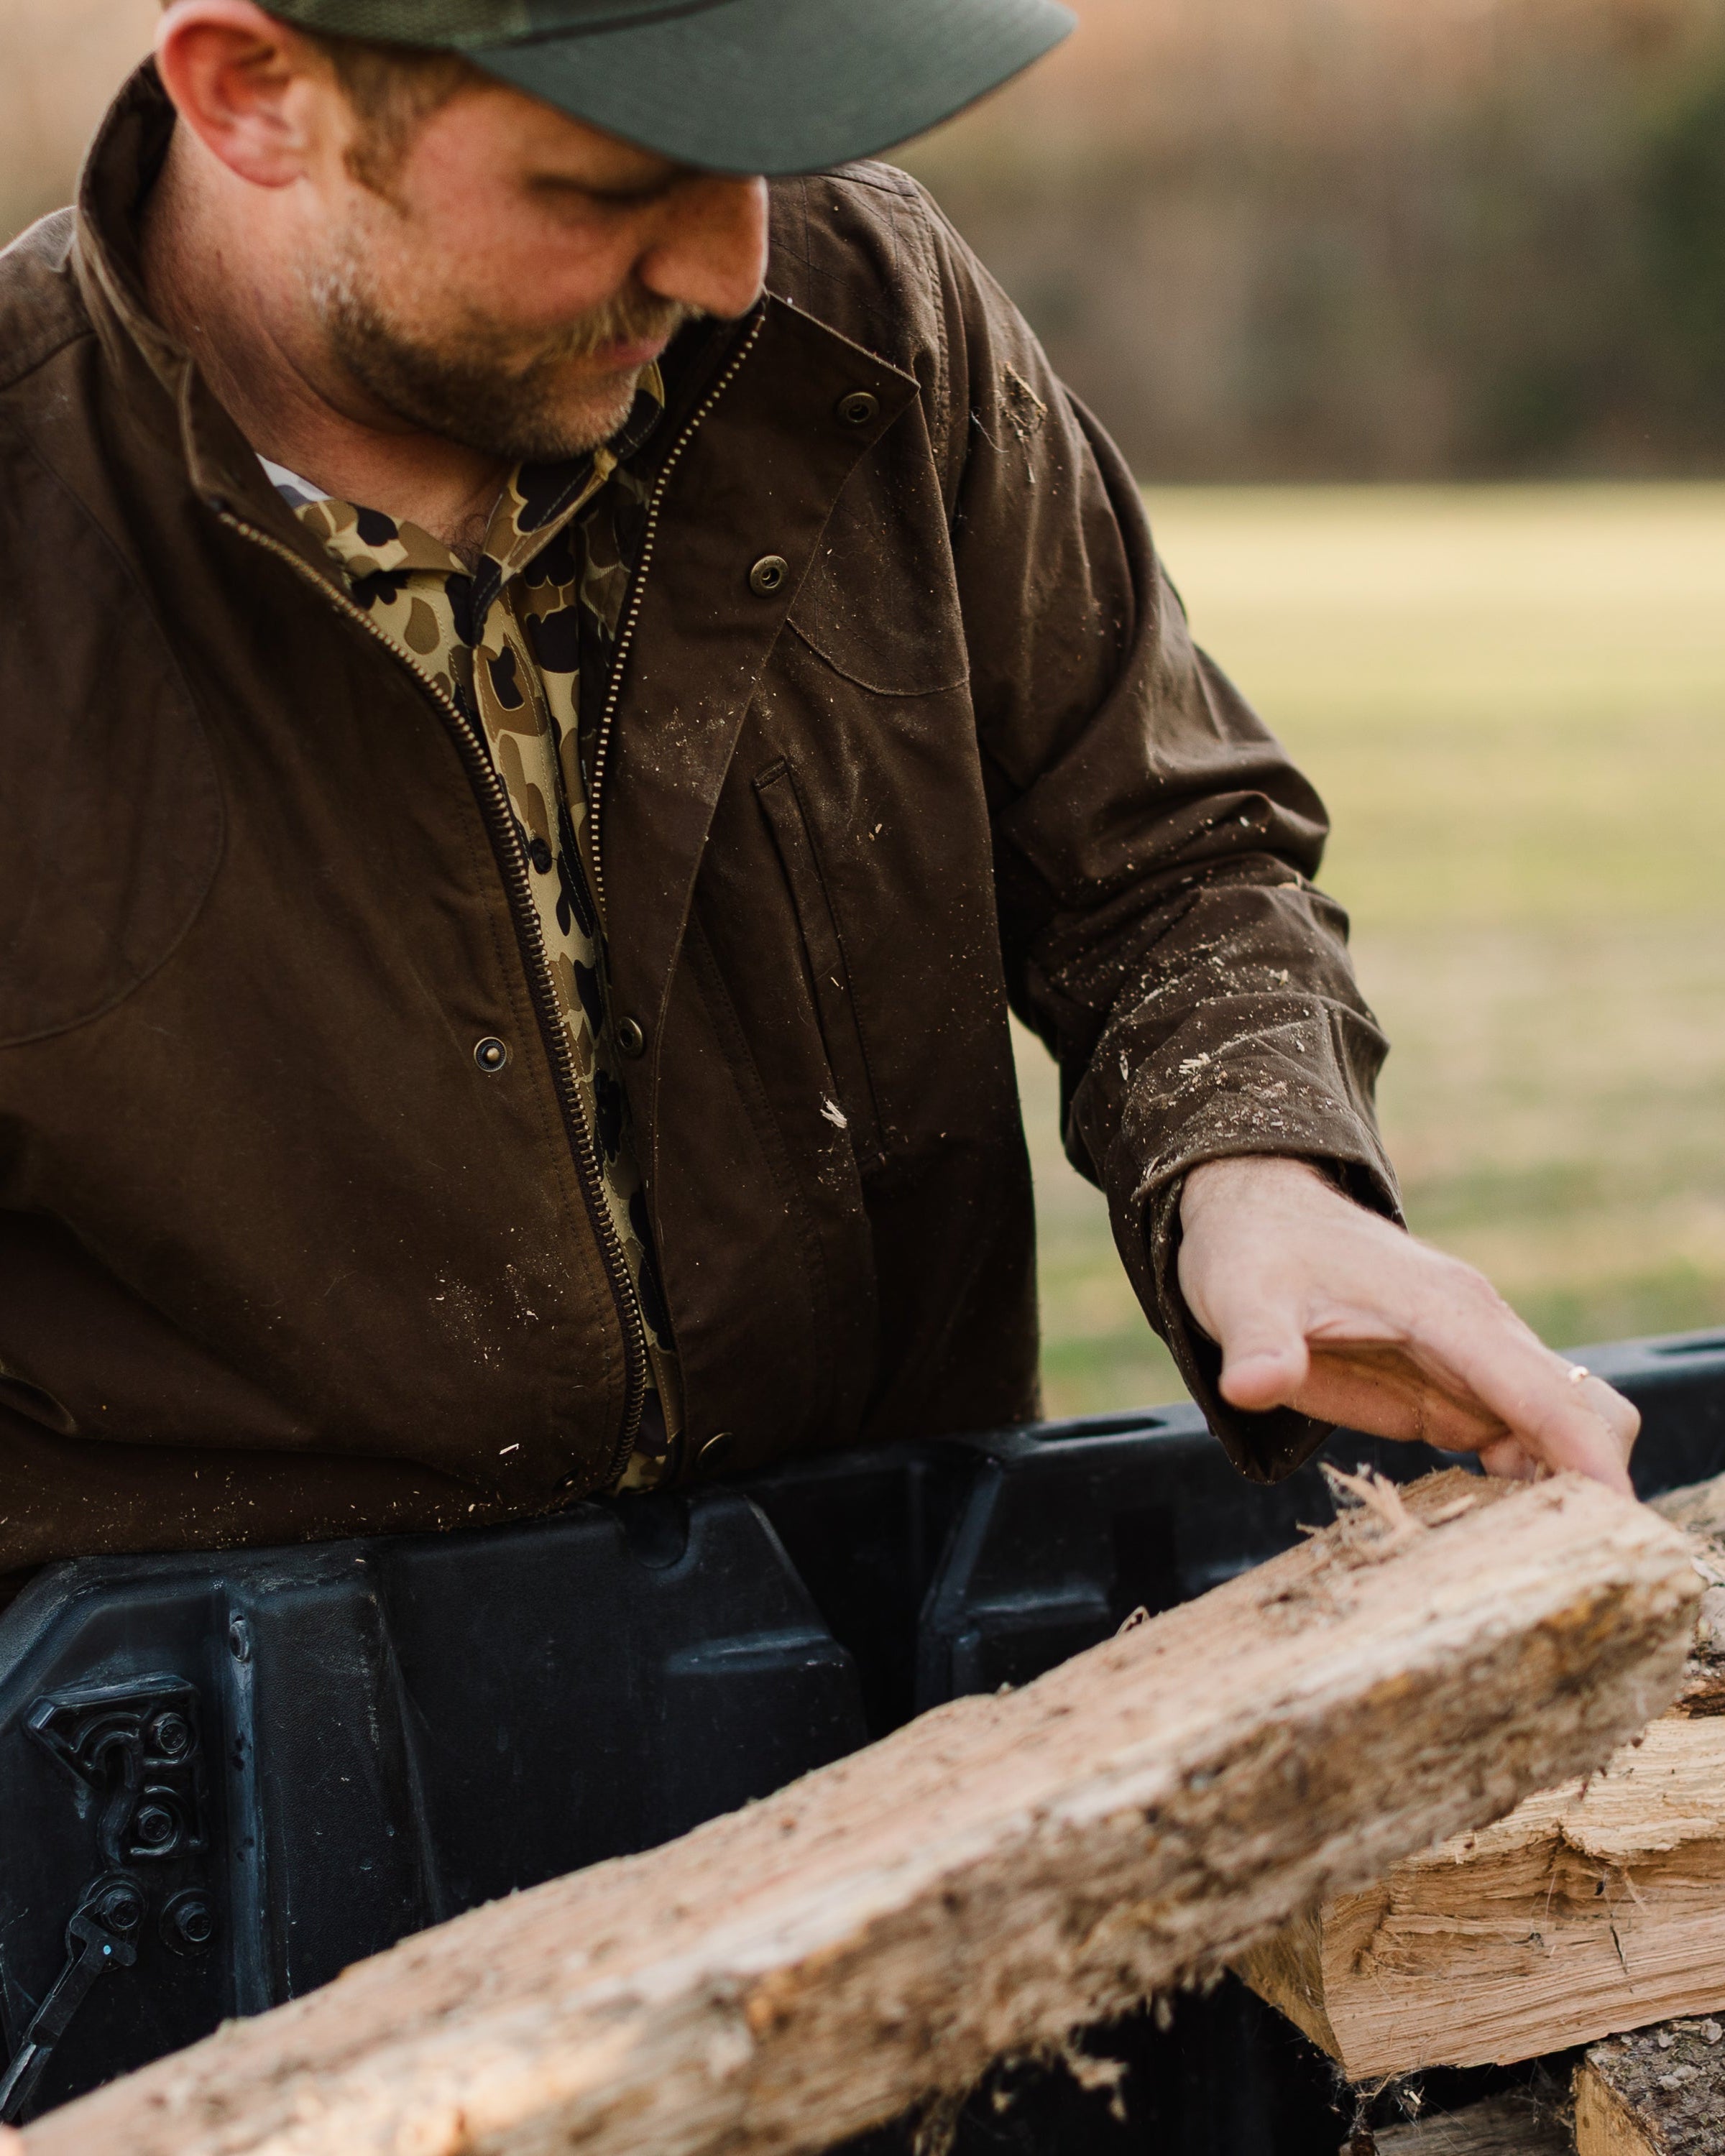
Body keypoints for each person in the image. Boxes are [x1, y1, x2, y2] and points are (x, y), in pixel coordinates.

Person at [0, 0, 1637, 1588]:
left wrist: (1258, 1174)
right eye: (615, 179)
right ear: (254, 91)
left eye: (771, 149)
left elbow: (1166, 853)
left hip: (885, 1663)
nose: (737, 265)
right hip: (193, 1787)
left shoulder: (874, 303)